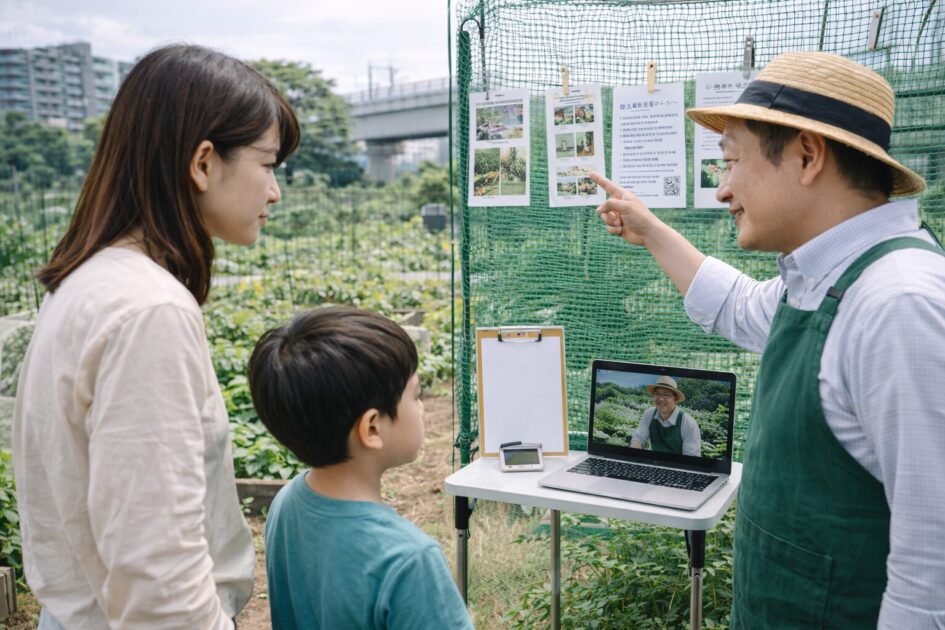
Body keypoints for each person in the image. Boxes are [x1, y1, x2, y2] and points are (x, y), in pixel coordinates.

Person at [591, 51, 945, 628]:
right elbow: (734, 304)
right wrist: (651, 230)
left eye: (731, 161)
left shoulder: (899, 304)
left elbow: (933, 576)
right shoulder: (822, 284)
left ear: (808, 156)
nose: (723, 190)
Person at [13, 44, 300, 628]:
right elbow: (159, 582)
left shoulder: (86, 282)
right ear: (203, 162)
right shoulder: (149, 311)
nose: (274, 191)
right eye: (268, 164)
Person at [247, 306, 474, 630]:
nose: (422, 407)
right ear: (371, 429)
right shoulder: (408, 559)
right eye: (415, 395)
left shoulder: (287, 505)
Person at [629, 375, 701, 456]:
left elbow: (691, 458)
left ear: (676, 398)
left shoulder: (688, 424)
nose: (660, 399)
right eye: (657, 394)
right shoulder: (649, 414)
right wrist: (633, 455)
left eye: (666, 395)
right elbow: (639, 438)